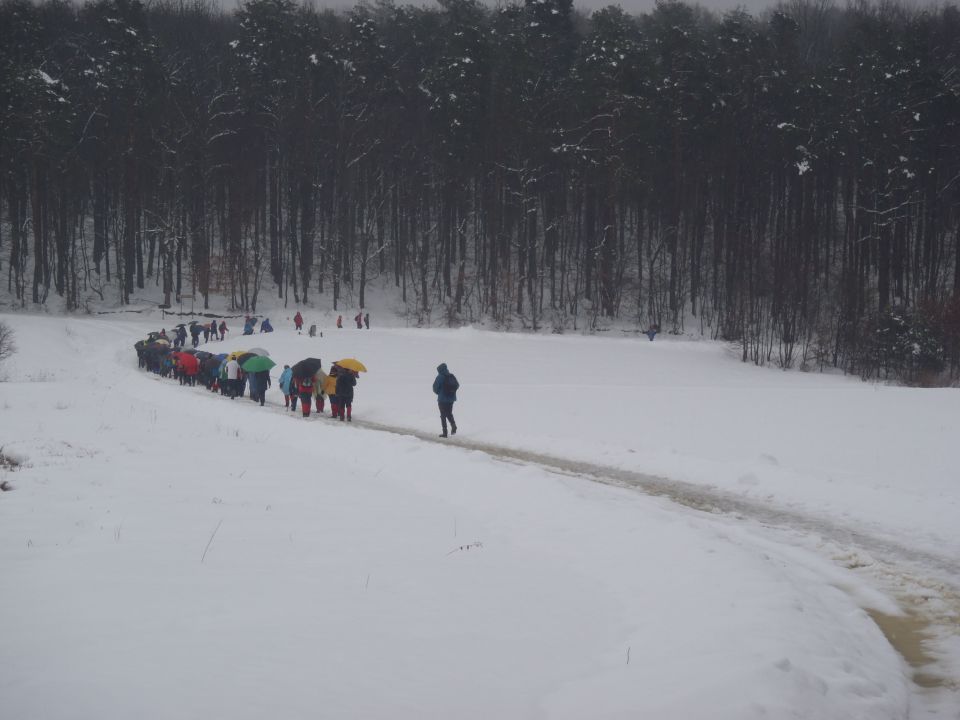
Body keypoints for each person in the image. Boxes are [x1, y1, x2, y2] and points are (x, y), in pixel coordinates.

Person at [432, 363, 459, 438]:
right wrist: (452, 392)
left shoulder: (440, 377)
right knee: (449, 413)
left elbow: (435, 388)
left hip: (442, 399)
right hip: (451, 399)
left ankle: (445, 433)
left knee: (443, 415)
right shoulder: (451, 375)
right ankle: (453, 426)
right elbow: (457, 385)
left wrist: (439, 393)